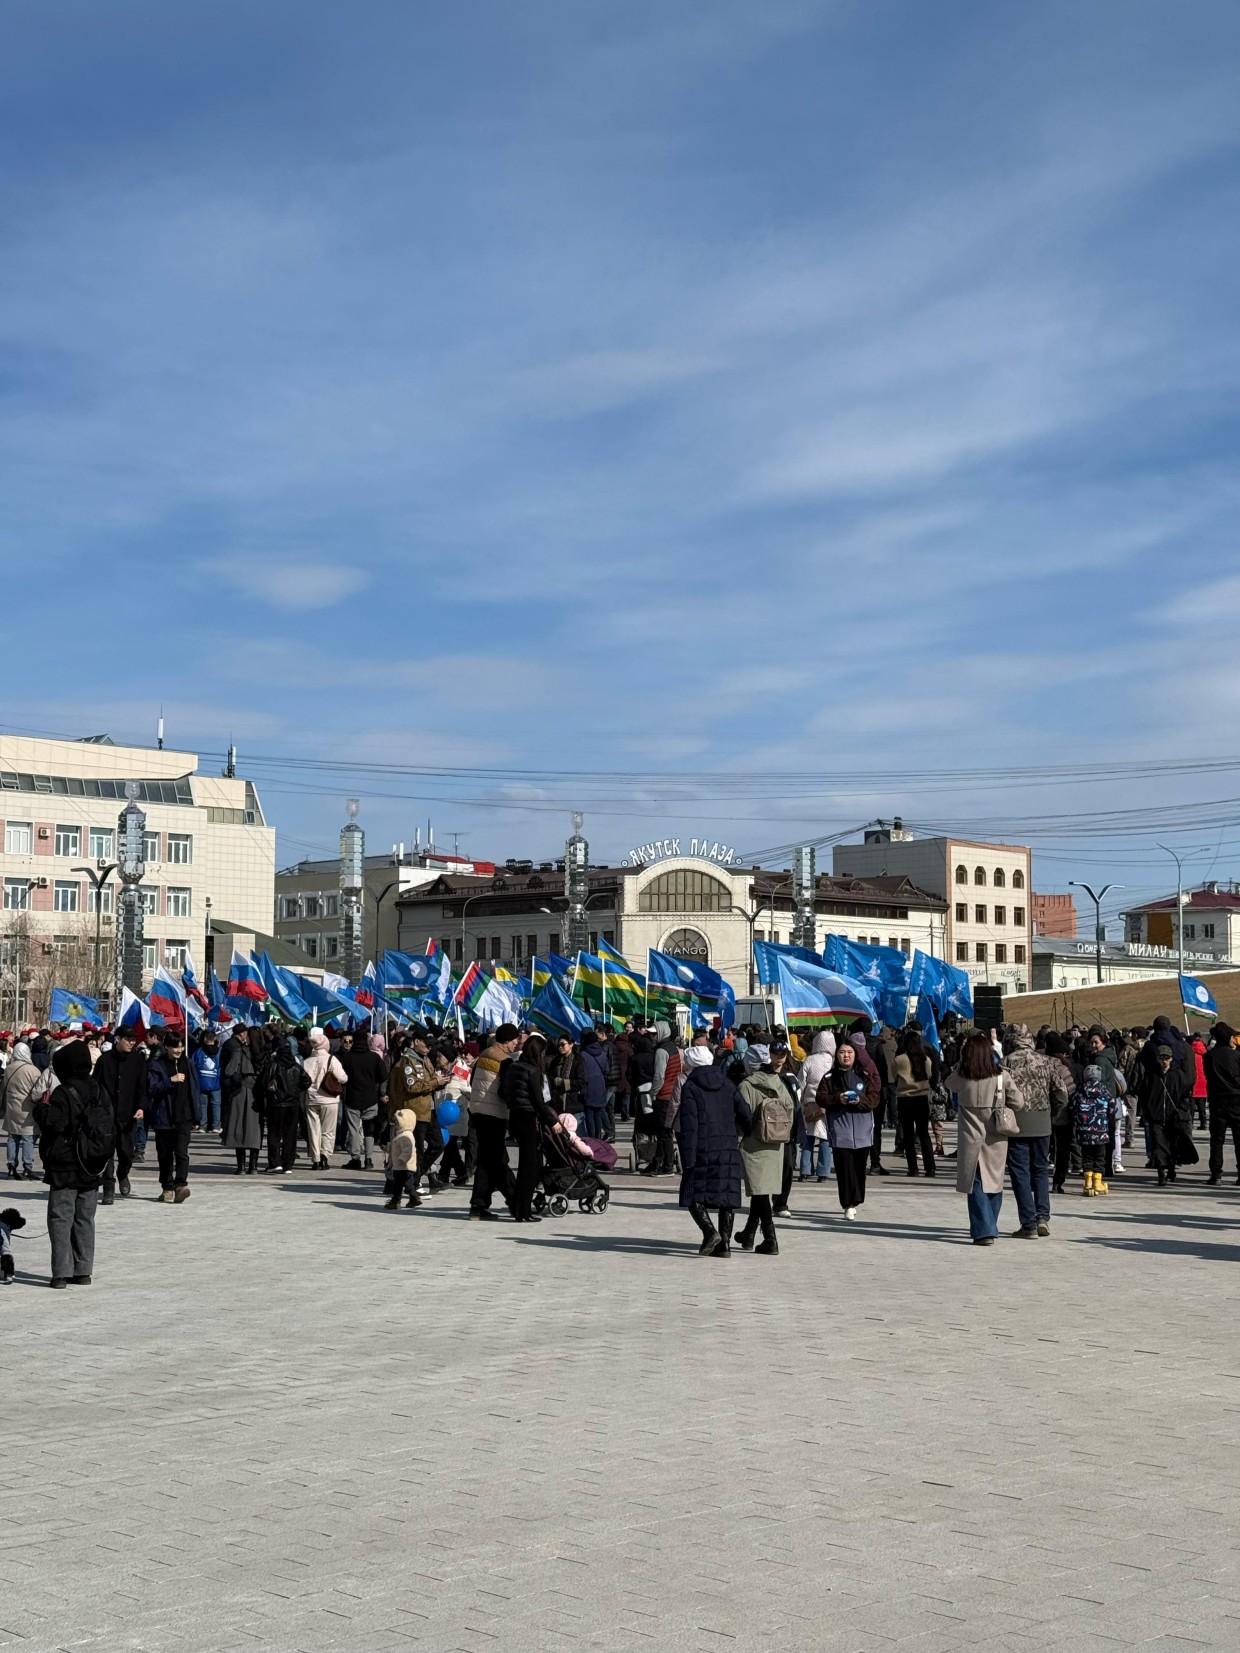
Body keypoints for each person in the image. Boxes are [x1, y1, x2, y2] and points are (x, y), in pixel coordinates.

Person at [37, 1038, 114, 1283]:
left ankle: (61, 1273)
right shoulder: (99, 1089)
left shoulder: (64, 1091)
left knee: (61, 1217)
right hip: (92, 1162)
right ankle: (83, 1270)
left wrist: (41, 1110)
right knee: (85, 1218)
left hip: (65, 1163)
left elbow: (55, 1123)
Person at [676, 1033, 751, 1257]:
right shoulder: (728, 1085)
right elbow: (745, 1113)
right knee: (726, 1196)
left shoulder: (690, 1087)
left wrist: (687, 1158)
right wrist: (743, 1132)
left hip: (701, 1149)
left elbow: (689, 1126)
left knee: (692, 1194)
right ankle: (725, 1245)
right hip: (727, 1148)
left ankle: (709, 1231)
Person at [951, 1030, 1026, 1245]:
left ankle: (984, 1229)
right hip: (996, 1137)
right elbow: (1019, 1102)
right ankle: (990, 1223)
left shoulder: (962, 1077)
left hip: (970, 1137)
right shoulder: (1001, 1076)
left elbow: (948, 1083)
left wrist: (959, 1062)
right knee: (994, 1182)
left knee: (975, 1183)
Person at [1003, 1028, 1069, 1237]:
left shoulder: (1005, 1062)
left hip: (1016, 1124)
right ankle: (1043, 1216)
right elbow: (1061, 1093)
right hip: (1042, 1122)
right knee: (1040, 1170)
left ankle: (1028, 1222)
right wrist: (1052, 1113)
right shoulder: (1046, 1062)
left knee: (1020, 1173)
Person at [736, 1045, 793, 1255]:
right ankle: (749, 1233)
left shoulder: (746, 1085)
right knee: (762, 1190)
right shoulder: (778, 1082)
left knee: (759, 1192)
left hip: (753, 1144)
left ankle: (770, 1238)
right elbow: (790, 1109)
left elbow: (742, 1117)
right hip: (776, 1143)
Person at [498, 1032, 561, 1222]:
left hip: (514, 1116)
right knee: (530, 1167)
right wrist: (553, 1121)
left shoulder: (512, 1066)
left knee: (527, 1164)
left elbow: (504, 1092)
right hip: (528, 1118)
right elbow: (538, 1101)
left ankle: (518, 1205)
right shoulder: (532, 1071)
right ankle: (523, 1211)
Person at [818, 1040, 881, 1220]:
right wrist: (839, 1099)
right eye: (842, 1052)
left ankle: (857, 1199)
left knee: (859, 1168)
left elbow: (874, 1099)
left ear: (855, 1055)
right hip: (840, 1131)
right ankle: (847, 1203)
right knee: (844, 1169)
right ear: (836, 1056)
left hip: (862, 1131)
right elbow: (821, 1098)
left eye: (849, 1052)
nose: (846, 1056)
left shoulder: (865, 1075)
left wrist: (859, 1101)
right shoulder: (829, 1077)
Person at [468, 1024, 520, 1220]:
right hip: (494, 1114)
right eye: (515, 1040)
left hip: (478, 1111)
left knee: (486, 1160)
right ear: (507, 1040)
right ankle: (516, 1201)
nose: (516, 1044)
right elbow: (502, 1091)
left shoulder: (484, 1055)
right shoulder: (504, 1060)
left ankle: (479, 1206)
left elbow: (474, 1082)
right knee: (497, 1161)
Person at [386, 1029, 442, 1195]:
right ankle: (411, 1184)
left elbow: (429, 1081)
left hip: (428, 1109)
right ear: (416, 1041)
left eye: (431, 1046)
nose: (429, 1048)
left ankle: (416, 1177)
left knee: (438, 1144)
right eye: (426, 1044)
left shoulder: (425, 1059)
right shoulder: (408, 1061)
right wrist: (435, 1082)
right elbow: (412, 1086)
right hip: (414, 1110)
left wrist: (441, 1081)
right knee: (414, 1150)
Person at [146, 1031, 199, 1203]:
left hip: (184, 1116)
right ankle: (167, 1187)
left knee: (182, 1153)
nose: (179, 1050)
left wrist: (196, 1116)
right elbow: (151, 1089)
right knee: (165, 1155)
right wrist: (171, 1080)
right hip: (164, 1117)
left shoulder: (188, 1063)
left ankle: (181, 1185)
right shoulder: (157, 1064)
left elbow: (194, 1090)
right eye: (175, 1047)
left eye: (181, 1046)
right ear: (167, 1047)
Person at [95, 1026, 145, 1203]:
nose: (132, 1043)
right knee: (107, 1153)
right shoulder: (104, 1060)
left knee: (127, 1153)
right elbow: (96, 1085)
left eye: (133, 1040)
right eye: (128, 1039)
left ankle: (123, 1173)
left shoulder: (138, 1061)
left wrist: (141, 1107)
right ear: (118, 1039)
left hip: (129, 1115)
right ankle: (108, 1187)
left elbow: (142, 1086)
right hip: (107, 1115)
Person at [1137, 1042, 1195, 1185]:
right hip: (1156, 1116)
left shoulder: (1178, 1076)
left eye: (1167, 1058)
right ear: (1156, 1059)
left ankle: (1171, 1168)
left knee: (1172, 1144)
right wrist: (1147, 1110)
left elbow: (1185, 1094)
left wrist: (1182, 1109)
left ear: (1171, 1058)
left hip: (1173, 1116)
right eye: (1161, 1058)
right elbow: (1144, 1093)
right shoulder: (1151, 1075)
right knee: (1158, 1144)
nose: (1164, 1061)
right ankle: (1161, 1172)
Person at [338, 1029, 385, 1170]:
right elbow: (383, 1075)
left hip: (352, 1097)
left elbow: (341, 1078)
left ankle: (355, 1158)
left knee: (353, 1129)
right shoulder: (374, 1057)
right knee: (369, 1129)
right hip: (370, 1097)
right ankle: (369, 1159)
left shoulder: (347, 1057)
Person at [301, 1028, 346, 1170]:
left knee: (313, 1130)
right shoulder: (332, 1059)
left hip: (311, 1100)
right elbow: (343, 1078)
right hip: (329, 1100)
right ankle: (325, 1156)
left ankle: (315, 1159)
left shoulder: (306, 1061)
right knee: (328, 1130)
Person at [641, 1021, 682, 1177]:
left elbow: (659, 1076)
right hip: (674, 1094)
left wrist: (652, 1093)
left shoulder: (661, 1051)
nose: (652, 1036)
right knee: (663, 1131)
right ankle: (657, 1162)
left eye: (654, 1034)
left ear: (662, 1033)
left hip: (664, 1095)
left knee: (664, 1132)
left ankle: (667, 1166)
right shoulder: (674, 1049)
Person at [894, 1029, 936, 1178]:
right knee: (924, 1133)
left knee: (908, 1135)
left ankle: (913, 1169)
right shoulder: (926, 1059)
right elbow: (930, 1075)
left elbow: (894, 1075)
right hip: (922, 1098)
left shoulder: (900, 1059)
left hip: (905, 1098)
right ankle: (930, 1168)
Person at [1073, 1064, 1120, 1195]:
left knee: (1086, 1155)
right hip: (1100, 1131)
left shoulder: (1080, 1090)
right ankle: (1097, 1182)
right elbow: (1113, 1107)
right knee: (1100, 1156)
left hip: (1084, 1131)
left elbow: (1072, 1106)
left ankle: (1088, 1181)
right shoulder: (1104, 1090)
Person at [221, 1026, 262, 1175]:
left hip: (240, 1091)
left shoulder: (240, 1051)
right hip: (257, 1093)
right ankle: (254, 1166)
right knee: (255, 1130)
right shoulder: (263, 1053)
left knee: (239, 1128)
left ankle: (241, 1167)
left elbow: (229, 1070)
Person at [265, 1032, 308, 1173]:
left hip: (276, 1104)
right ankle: (288, 1164)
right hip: (292, 1104)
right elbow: (307, 1081)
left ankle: (275, 1162)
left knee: (274, 1134)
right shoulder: (296, 1066)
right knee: (290, 1135)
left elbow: (264, 1081)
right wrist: (296, 1090)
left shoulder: (274, 1065)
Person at [796, 1030, 835, 1183]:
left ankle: (805, 1171)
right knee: (825, 1138)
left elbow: (801, 1082)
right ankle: (823, 1172)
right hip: (828, 1104)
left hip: (810, 1104)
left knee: (808, 1137)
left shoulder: (809, 1060)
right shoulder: (833, 1061)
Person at [1203, 1023, 1240, 1185]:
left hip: (1217, 1101)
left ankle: (1216, 1173)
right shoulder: (1236, 1056)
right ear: (1227, 1037)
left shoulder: (1209, 1056)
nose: (1234, 1039)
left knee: (1217, 1140)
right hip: (1236, 1101)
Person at [3, 1036, 42, 1181]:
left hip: (12, 1106)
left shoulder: (9, 1068)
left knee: (12, 1137)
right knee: (27, 1137)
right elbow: (38, 1090)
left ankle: (11, 1165)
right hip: (27, 1108)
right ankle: (27, 1167)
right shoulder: (32, 1070)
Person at [383, 1109, 418, 1211]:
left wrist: (402, 1160)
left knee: (406, 1184)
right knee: (400, 1184)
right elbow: (396, 1148)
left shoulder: (405, 1136)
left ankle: (410, 1198)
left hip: (404, 1166)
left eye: (398, 1122)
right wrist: (387, 1148)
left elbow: (408, 1151)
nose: (396, 1124)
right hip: (399, 1166)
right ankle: (399, 1200)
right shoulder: (400, 1135)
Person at [577, 1030, 610, 1142]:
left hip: (588, 1085)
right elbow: (607, 1070)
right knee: (598, 1112)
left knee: (589, 1113)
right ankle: (599, 1137)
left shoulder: (583, 1054)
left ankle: (591, 1138)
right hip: (600, 1085)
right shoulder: (603, 1053)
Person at [192, 1031, 223, 1131]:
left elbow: (193, 1065)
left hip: (202, 1082)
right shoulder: (219, 1052)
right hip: (216, 1082)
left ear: (205, 1039)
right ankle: (216, 1125)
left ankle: (203, 1125)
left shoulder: (199, 1051)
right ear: (214, 1039)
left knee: (203, 1105)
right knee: (216, 1105)